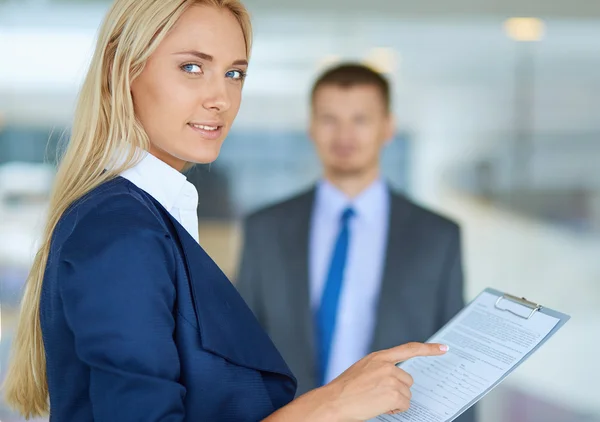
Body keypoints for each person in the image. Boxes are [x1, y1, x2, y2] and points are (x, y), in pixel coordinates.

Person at [2, 1, 449, 421]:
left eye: (234, 74)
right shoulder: (122, 230)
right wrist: (330, 405)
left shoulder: (151, 217)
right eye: (192, 68)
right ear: (123, 71)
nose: (221, 98)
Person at [236, 63, 476, 422]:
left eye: (360, 119)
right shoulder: (264, 228)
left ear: (388, 128)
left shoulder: (438, 235)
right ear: (311, 127)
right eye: (329, 119)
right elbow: (241, 348)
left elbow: (454, 363)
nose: (344, 135)